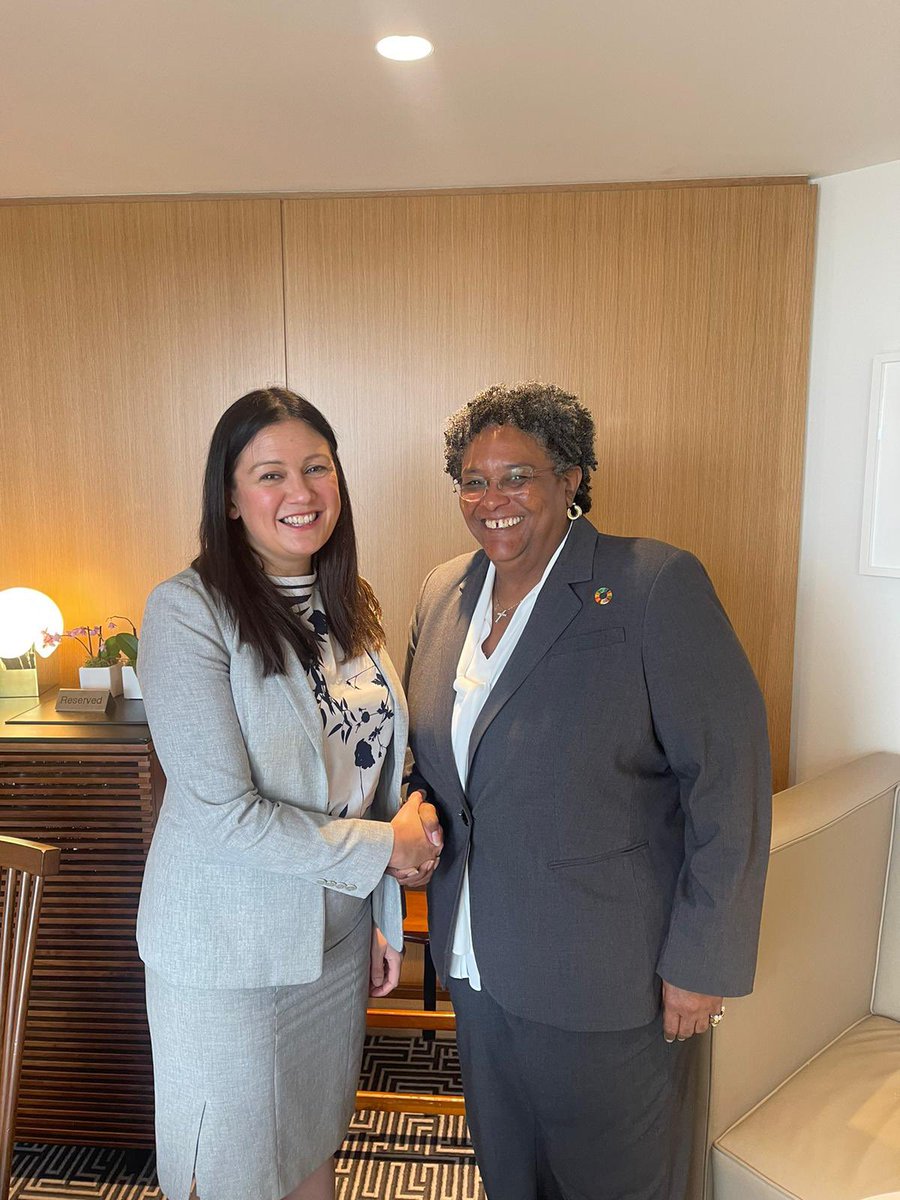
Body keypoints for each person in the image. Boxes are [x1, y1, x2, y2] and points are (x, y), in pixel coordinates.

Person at [403, 381, 771, 1200]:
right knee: (511, 1176)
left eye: (517, 476)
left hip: (610, 980)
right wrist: (413, 816)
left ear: (571, 480)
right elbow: (429, 763)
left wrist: (703, 962)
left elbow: (729, 781)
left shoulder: (651, 587)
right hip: (475, 963)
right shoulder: (442, 594)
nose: (491, 499)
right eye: (472, 478)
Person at [136, 387, 442, 1200]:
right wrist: (390, 850)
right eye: (269, 474)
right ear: (230, 499)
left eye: (316, 468)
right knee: (231, 1170)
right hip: (229, 956)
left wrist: (380, 916)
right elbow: (224, 816)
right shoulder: (187, 613)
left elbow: (367, 774)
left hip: (332, 947)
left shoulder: (350, 604)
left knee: (311, 1145)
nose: (299, 493)